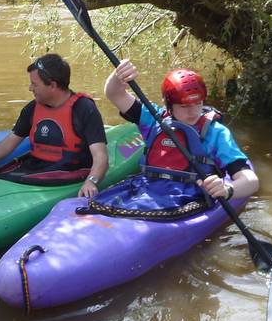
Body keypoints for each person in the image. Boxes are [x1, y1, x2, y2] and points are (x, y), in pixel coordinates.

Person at [102, 59, 258, 209]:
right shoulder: (153, 119)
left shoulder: (216, 133)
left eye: (198, 103)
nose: (193, 112)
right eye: (184, 106)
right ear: (168, 105)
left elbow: (251, 181)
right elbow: (114, 93)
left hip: (189, 196)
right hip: (146, 189)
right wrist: (118, 75)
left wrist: (227, 189)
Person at [0, 53, 107, 199]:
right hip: (37, 169)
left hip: (70, 170)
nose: (30, 88)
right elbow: (8, 144)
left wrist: (91, 181)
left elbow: (101, 157)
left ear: (53, 86)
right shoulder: (32, 109)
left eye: (34, 84)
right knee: (2, 176)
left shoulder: (84, 109)